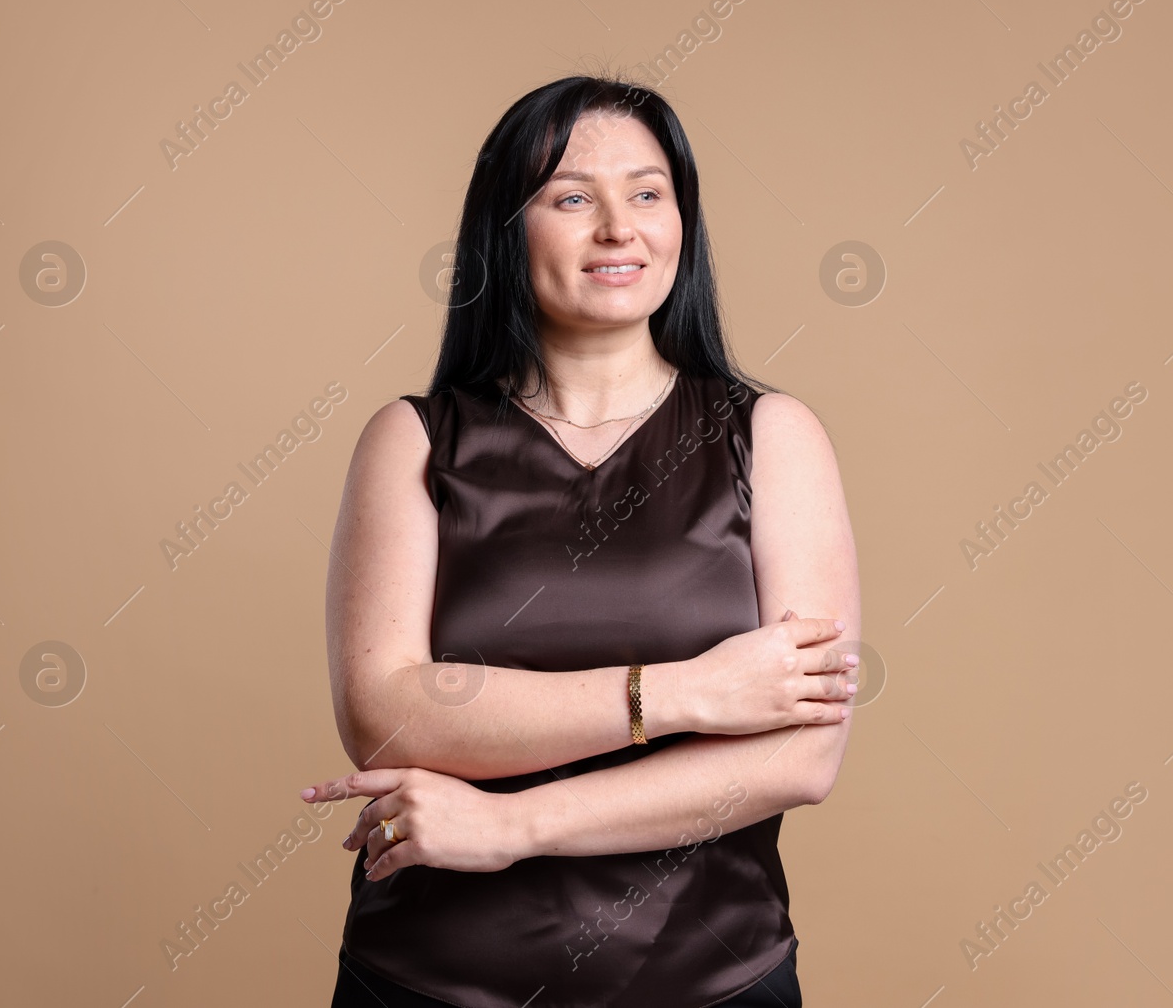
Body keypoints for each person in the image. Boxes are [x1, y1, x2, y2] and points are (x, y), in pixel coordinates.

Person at [300, 73, 861, 1008]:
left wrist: (514, 824)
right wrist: (689, 692)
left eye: (649, 193)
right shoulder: (414, 439)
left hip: (713, 985)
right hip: (428, 984)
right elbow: (389, 715)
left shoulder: (773, 436)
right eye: (572, 198)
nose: (619, 228)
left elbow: (798, 756)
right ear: (505, 230)